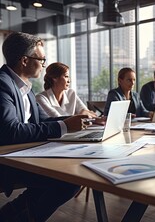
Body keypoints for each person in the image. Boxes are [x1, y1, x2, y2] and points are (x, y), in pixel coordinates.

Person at [0, 32, 89, 221]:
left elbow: (42, 121)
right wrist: (64, 126)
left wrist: (75, 121)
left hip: (23, 155)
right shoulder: (3, 84)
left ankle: (10, 214)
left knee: (68, 177)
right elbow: (11, 131)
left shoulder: (25, 86)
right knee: (69, 180)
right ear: (25, 60)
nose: (44, 65)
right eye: (41, 59)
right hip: (6, 162)